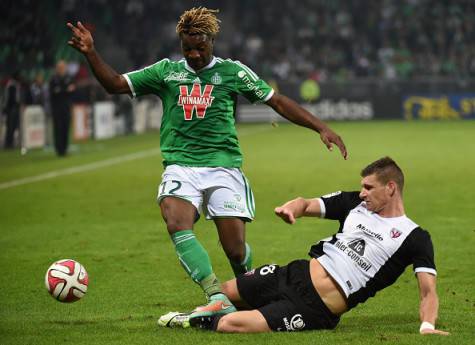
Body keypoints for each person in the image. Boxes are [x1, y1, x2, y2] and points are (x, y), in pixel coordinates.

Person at [67, 7, 347, 318]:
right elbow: (116, 83)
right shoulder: (166, 72)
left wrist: (321, 127)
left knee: (235, 250)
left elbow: (276, 101)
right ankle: (216, 294)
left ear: (212, 40)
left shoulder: (233, 72)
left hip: (223, 167)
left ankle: (250, 286)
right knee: (175, 220)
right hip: (180, 166)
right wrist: (91, 52)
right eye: (188, 49)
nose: (195, 54)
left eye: (201, 47)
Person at [160, 157, 449, 336]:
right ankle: (205, 311)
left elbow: (428, 291)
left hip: (313, 308)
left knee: (230, 324)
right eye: (361, 186)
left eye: (369, 187)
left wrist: (427, 326)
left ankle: (192, 321)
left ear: (391, 188)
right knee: (223, 293)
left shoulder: (414, 237)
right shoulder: (354, 205)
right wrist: (291, 208)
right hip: (293, 274)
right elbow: (308, 203)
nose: (362, 193)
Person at [49, 60, 76, 156]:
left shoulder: (69, 77)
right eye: (59, 67)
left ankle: (64, 149)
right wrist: (66, 90)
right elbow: (53, 92)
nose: (61, 69)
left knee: (65, 128)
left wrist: (62, 91)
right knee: (58, 129)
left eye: (63, 67)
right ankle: (59, 149)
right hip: (57, 108)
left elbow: (73, 90)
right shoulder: (53, 79)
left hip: (66, 107)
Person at [2, 71, 22, 149]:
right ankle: (8, 143)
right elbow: (9, 98)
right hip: (11, 108)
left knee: (13, 126)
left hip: (14, 107)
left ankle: (10, 143)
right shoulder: (11, 85)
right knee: (10, 126)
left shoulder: (15, 84)